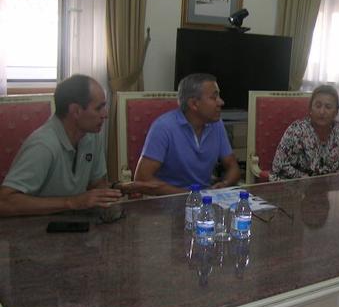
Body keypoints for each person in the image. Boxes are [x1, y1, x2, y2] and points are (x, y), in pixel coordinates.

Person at [0, 74, 151, 217]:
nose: (105, 114)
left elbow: (97, 185)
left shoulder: (92, 136)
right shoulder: (43, 145)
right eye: (99, 108)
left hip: (75, 224)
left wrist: (121, 189)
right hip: (33, 230)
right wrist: (72, 202)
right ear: (76, 111)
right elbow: (4, 202)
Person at [135, 73, 240, 195]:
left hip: (205, 199)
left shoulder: (216, 124)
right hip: (168, 200)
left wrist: (224, 184)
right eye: (214, 97)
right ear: (194, 104)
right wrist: (190, 196)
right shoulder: (163, 127)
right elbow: (142, 179)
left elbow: (233, 167)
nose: (221, 102)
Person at [270, 85, 339, 181]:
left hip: (328, 188)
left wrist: (333, 181)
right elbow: (279, 164)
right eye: (318, 106)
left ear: (336, 111)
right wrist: (305, 179)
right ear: (310, 109)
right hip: (295, 184)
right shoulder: (296, 130)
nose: (322, 112)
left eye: (328, 107)